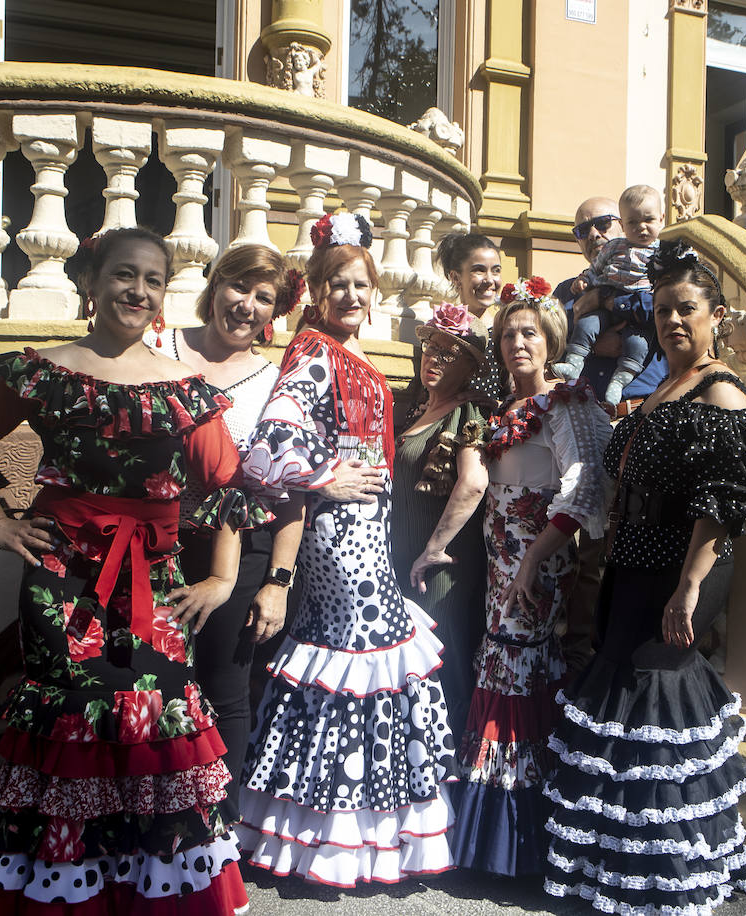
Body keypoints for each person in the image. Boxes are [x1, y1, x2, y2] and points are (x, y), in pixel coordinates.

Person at [0, 227, 254, 915]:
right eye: (124, 275)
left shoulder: (183, 386)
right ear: (90, 281)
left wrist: (220, 578)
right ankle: (68, 897)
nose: (138, 291)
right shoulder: (44, 372)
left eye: (153, 280)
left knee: (155, 726)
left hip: (154, 588)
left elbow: (226, 487)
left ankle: (149, 895)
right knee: (73, 728)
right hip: (62, 585)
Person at [541, 241, 746, 915]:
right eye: (663, 310)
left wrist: (689, 587)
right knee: (623, 698)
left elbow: (724, 500)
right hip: (633, 564)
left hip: (683, 570)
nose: (674, 320)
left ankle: (675, 874)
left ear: (716, 316)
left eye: (686, 309)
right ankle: (621, 867)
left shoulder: (722, 390)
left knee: (658, 698)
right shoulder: (658, 388)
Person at [234, 212, 457, 886]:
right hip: (339, 534)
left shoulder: (350, 352)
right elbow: (266, 453)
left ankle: (335, 833)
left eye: (362, 285)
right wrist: (325, 477)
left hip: (367, 529)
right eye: (339, 285)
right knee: (354, 662)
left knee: (356, 661)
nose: (352, 296)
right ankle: (334, 835)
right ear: (316, 290)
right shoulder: (313, 349)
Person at [447, 276, 612, 876]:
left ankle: (517, 839)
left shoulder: (568, 403)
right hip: (500, 562)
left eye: (529, 332)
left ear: (550, 340)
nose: (518, 342)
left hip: (535, 563)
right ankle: (496, 834)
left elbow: (585, 485)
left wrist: (537, 559)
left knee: (517, 663)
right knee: (505, 661)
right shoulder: (506, 409)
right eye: (508, 333)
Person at [165, 244, 308, 811]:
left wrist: (278, 580)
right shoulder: (159, 348)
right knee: (149, 684)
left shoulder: (276, 382)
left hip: (240, 552)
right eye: (239, 288)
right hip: (152, 545)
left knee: (225, 692)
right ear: (215, 284)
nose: (247, 305)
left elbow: (291, 493)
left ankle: (214, 833)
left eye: (263, 298)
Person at [392, 302, 491, 734]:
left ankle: (449, 772)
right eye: (431, 349)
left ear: (469, 368)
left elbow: (473, 483)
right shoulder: (417, 410)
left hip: (437, 568)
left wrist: (434, 549)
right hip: (401, 558)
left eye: (449, 355)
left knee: (440, 662)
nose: (434, 360)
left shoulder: (468, 413)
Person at [553, 185, 666, 405]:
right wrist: (593, 344)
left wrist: (606, 300)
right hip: (582, 414)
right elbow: (549, 345)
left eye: (603, 223)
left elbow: (664, 310)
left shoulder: (659, 267)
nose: (593, 234)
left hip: (640, 411)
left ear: (622, 225)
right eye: (582, 230)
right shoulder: (566, 292)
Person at [434, 231, 506, 403]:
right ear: (456, 277)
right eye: (479, 270)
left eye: (496, 271)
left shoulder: (504, 332)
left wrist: (494, 406)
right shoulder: (440, 330)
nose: (490, 280)